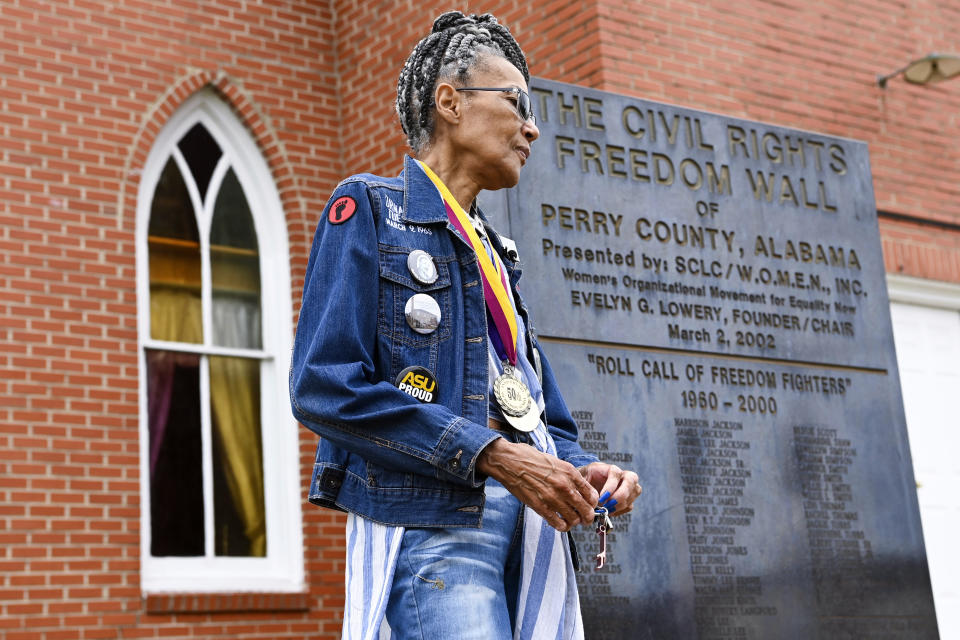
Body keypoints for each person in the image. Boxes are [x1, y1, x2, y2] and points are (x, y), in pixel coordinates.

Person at [290, 11, 642, 640]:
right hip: (434, 533)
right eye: (517, 102)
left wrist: (585, 469)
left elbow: (541, 418)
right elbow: (322, 385)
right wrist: (492, 455)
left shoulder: (496, 255)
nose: (532, 127)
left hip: (528, 540)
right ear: (450, 102)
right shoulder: (368, 208)